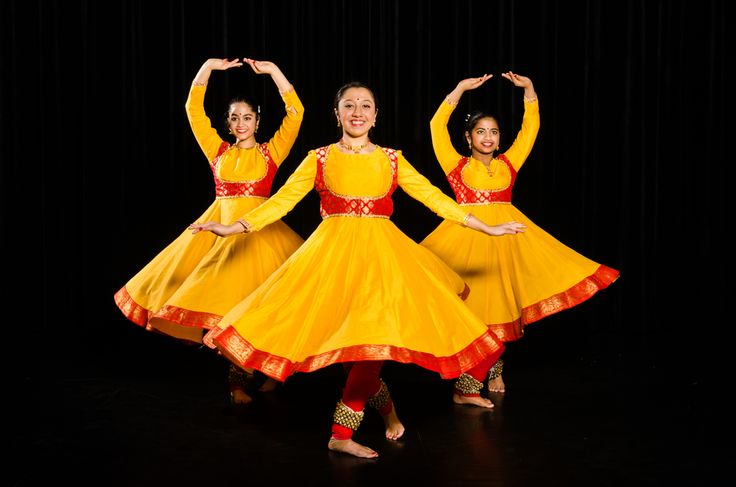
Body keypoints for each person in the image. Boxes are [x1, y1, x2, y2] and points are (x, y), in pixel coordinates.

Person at [189, 81, 526, 458]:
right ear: (337, 114)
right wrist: (233, 227)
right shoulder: (319, 158)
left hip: (384, 257)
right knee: (356, 350)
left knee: (372, 342)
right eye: (349, 105)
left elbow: (433, 197)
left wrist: (486, 226)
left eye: (366, 105)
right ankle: (387, 412)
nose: (358, 112)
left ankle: (341, 432)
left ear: (376, 115)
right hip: (333, 258)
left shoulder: (392, 159)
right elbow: (281, 201)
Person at [114, 57, 305, 405]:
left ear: (258, 120)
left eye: (248, 117)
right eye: (235, 117)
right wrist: (208, 68)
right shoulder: (217, 152)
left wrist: (275, 71)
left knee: (263, 307)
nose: (242, 123)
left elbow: (296, 113)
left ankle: (269, 372)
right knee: (223, 305)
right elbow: (192, 109)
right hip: (220, 233)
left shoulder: (271, 153)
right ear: (228, 124)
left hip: (260, 233)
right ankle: (237, 382)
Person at [420, 72, 620, 393]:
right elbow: (435, 127)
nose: (487, 137)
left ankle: (493, 371)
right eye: (480, 132)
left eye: (494, 132)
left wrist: (529, 91)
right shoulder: (456, 166)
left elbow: (531, 130)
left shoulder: (508, 165)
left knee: (499, 308)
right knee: (472, 312)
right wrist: (457, 90)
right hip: (467, 239)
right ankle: (469, 380)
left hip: (506, 241)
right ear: (468, 138)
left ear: (499, 139)